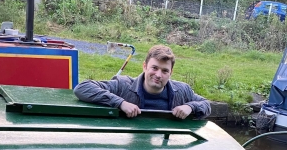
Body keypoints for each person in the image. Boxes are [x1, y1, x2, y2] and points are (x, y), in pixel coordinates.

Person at [74, 45, 211, 119]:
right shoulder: (123, 85)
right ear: (144, 66)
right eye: (154, 68)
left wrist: (191, 107)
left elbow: (206, 104)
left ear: (171, 73)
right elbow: (83, 88)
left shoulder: (182, 90)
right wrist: (120, 103)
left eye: (164, 71)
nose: (158, 75)